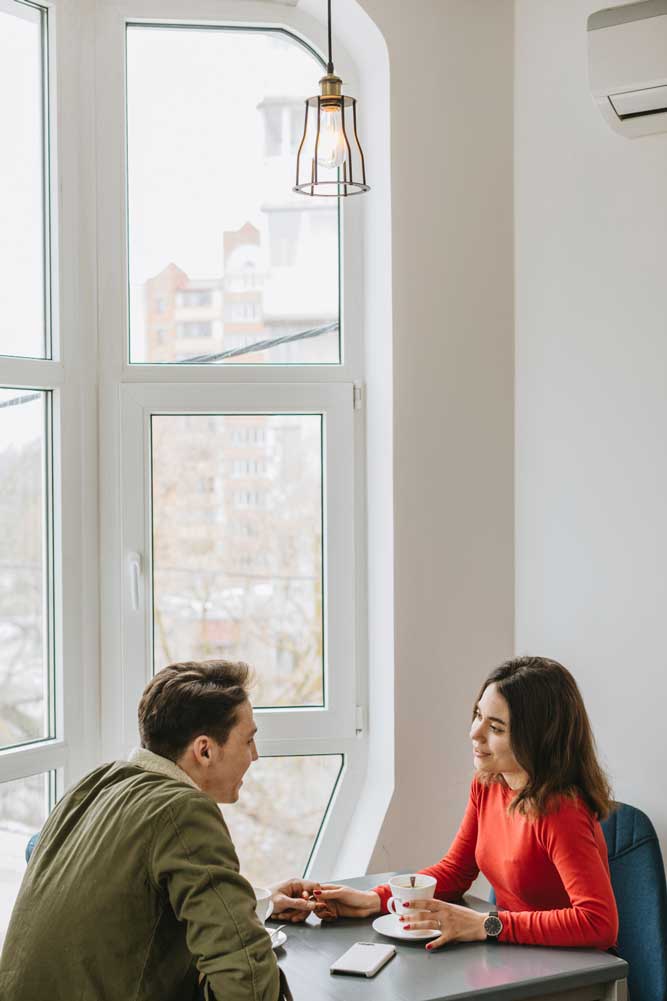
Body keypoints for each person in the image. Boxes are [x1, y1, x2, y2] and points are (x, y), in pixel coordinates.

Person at [0, 660, 319, 1001]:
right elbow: (247, 981)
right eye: (249, 740)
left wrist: (254, 905)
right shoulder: (182, 810)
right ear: (205, 750)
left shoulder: (94, 786)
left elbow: (121, 902)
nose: (255, 756)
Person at [314, 656, 619, 951]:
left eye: (496, 728)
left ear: (539, 738)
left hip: (575, 970)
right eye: (478, 715)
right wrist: (373, 900)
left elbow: (599, 923)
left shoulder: (562, 810)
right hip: (515, 955)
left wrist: (487, 924)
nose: (475, 733)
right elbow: (456, 871)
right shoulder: (488, 784)